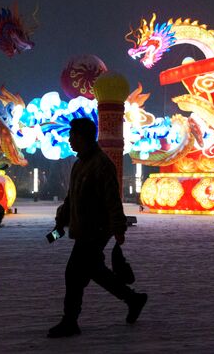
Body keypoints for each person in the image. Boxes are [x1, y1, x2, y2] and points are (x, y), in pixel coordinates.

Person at [47, 118, 147, 338]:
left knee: (73, 273)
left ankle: (70, 321)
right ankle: (133, 299)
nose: (69, 139)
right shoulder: (80, 164)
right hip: (83, 228)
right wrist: (60, 221)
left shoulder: (101, 164)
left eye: (72, 135)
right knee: (94, 271)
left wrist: (119, 228)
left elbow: (112, 198)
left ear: (82, 137)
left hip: (96, 230)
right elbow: (71, 198)